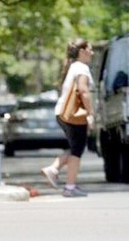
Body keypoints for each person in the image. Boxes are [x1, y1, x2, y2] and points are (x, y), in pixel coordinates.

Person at [41, 39, 94, 197]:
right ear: (82, 51)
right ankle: (68, 186)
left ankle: (58, 173)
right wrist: (90, 113)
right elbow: (83, 91)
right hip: (73, 114)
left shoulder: (72, 66)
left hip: (62, 113)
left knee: (75, 148)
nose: (92, 53)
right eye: (90, 49)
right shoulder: (82, 68)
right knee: (77, 149)